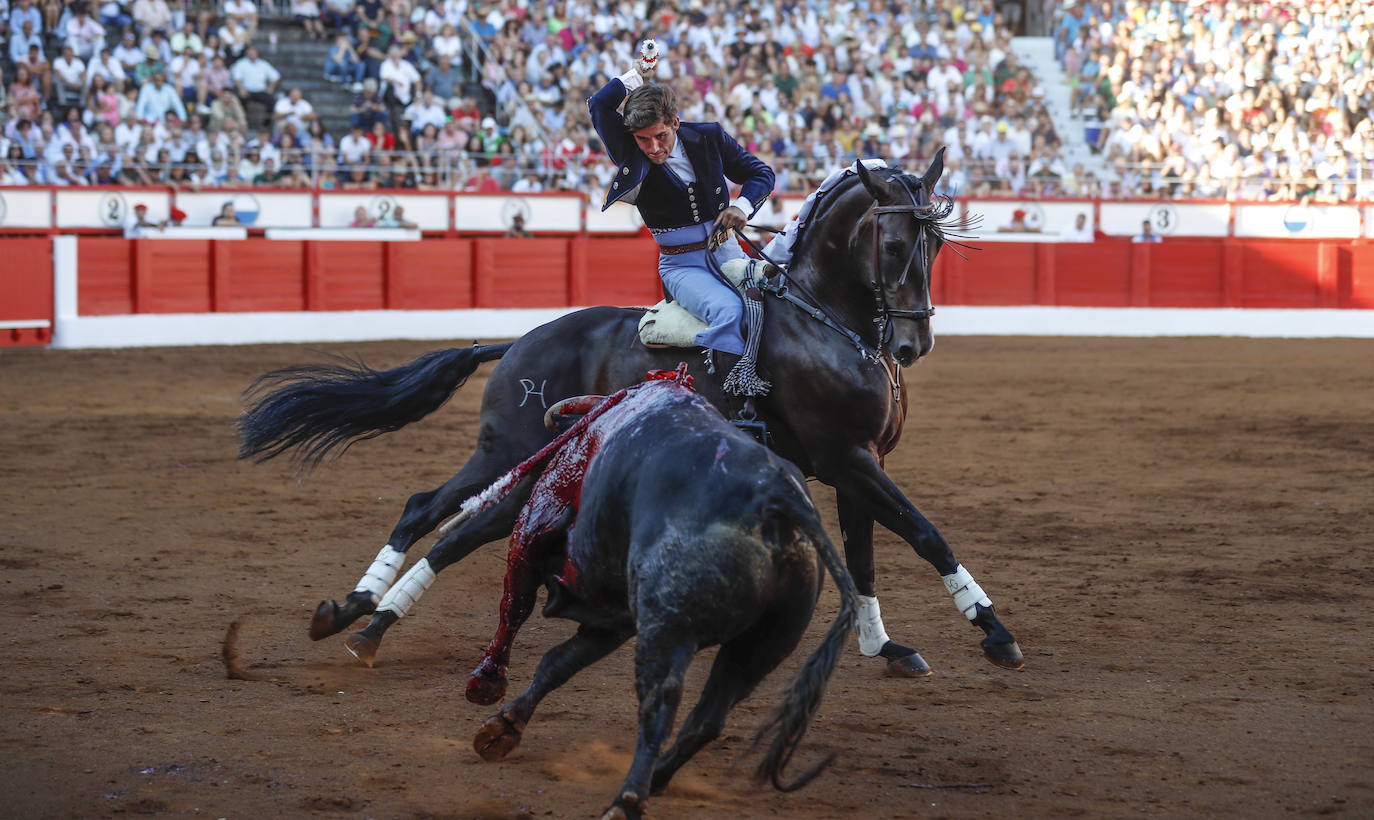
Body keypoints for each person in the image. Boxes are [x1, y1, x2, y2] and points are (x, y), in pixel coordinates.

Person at [586, 42, 774, 359]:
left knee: (781, 306)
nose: (653, 147)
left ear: (674, 122)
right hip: (682, 266)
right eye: (643, 139)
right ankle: (732, 394)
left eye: (660, 136)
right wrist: (637, 74)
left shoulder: (708, 136)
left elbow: (761, 174)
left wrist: (741, 206)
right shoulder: (629, 150)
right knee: (729, 311)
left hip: (729, 253)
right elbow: (599, 106)